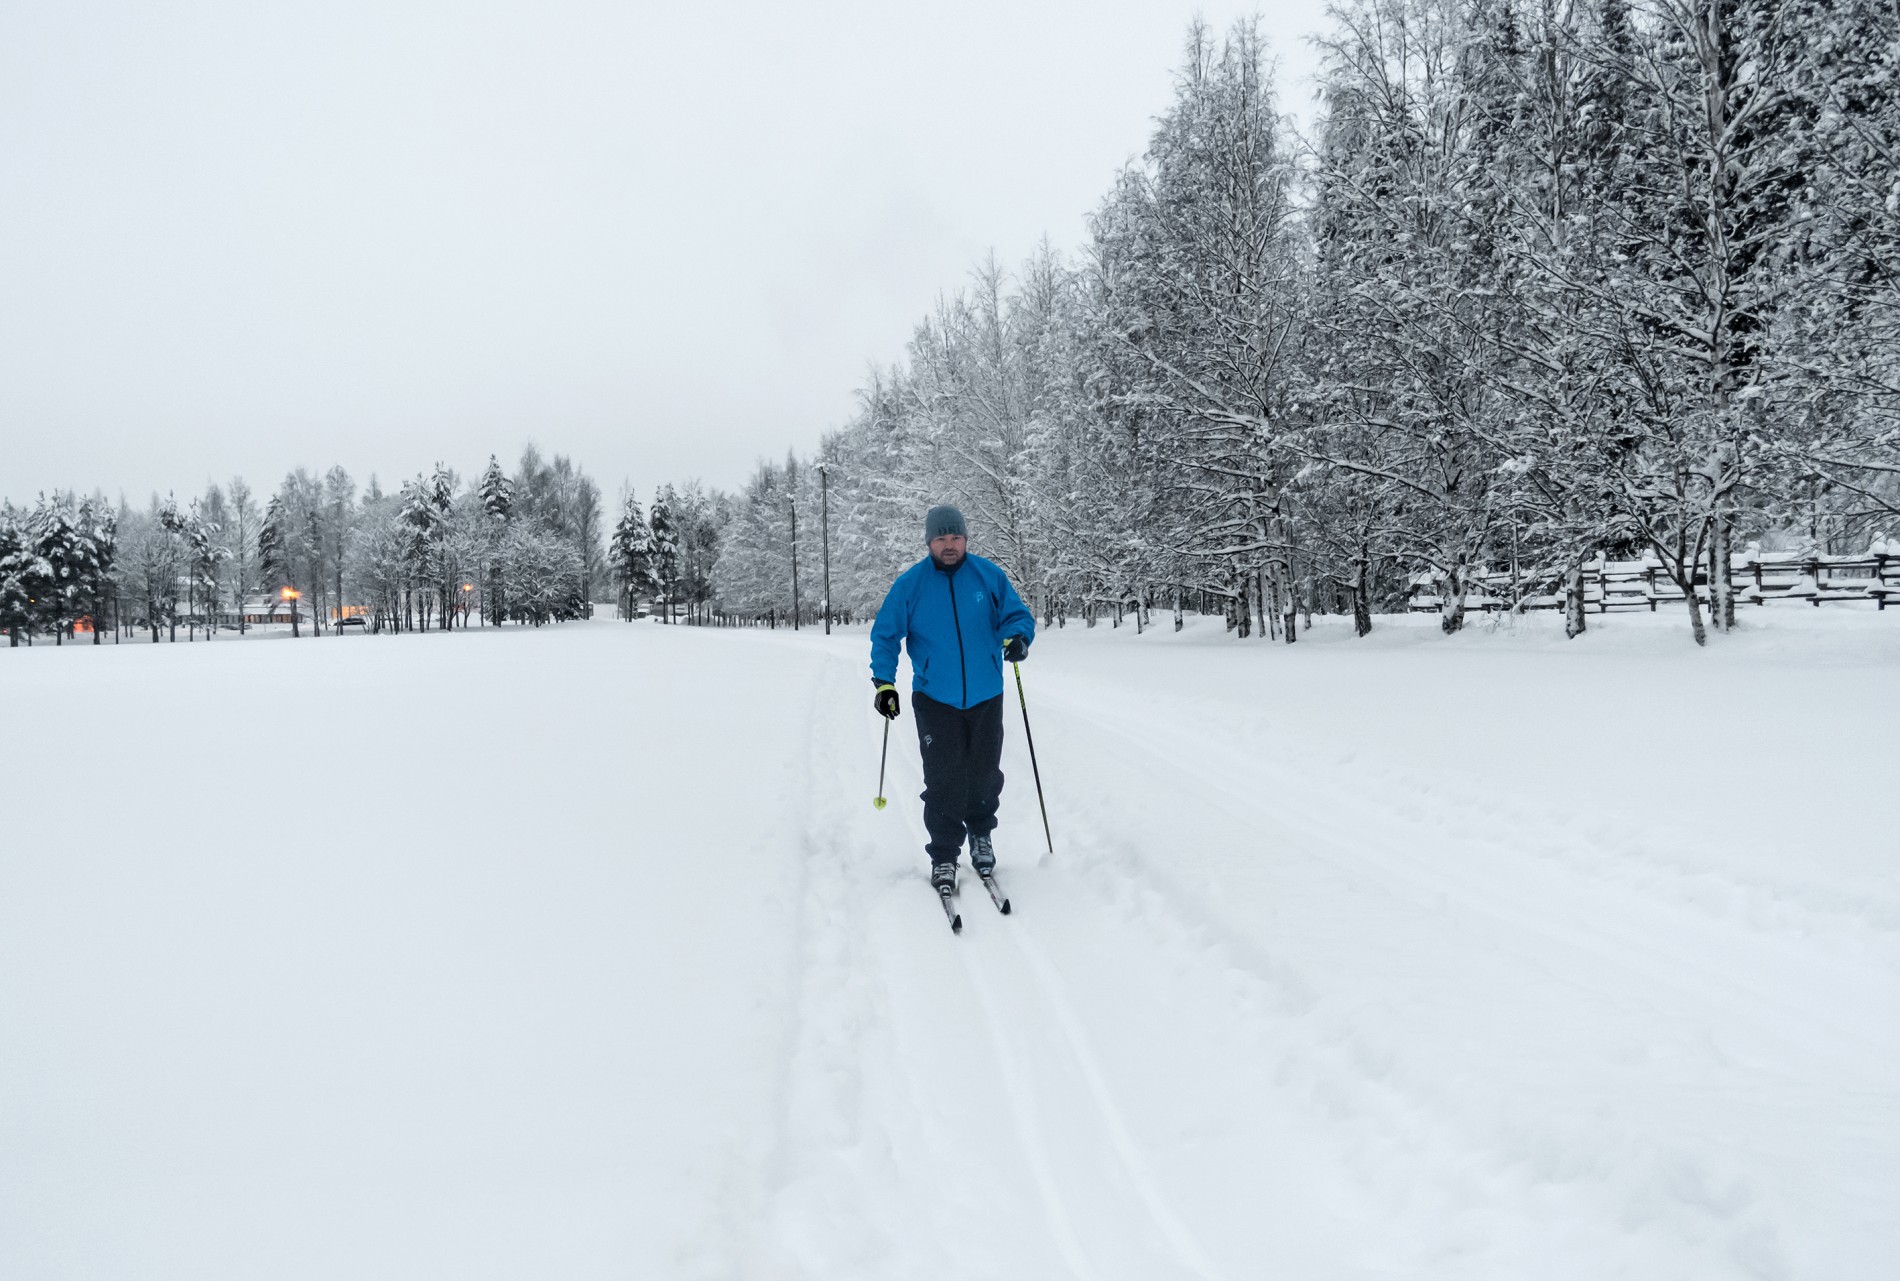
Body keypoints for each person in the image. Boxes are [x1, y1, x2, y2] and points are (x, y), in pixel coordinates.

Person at [870, 504, 1035, 894]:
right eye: (941, 538)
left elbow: (1017, 615)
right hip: (935, 697)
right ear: (929, 541)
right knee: (944, 779)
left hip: (986, 694)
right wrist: (884, 683)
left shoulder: (988, 576)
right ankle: (944, 854)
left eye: (955, 537)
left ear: (965, 538)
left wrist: (1018, 638)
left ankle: (981, 836)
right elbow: (885, 635)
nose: (949, 545)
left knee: (984, 774)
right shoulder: (911, 585)